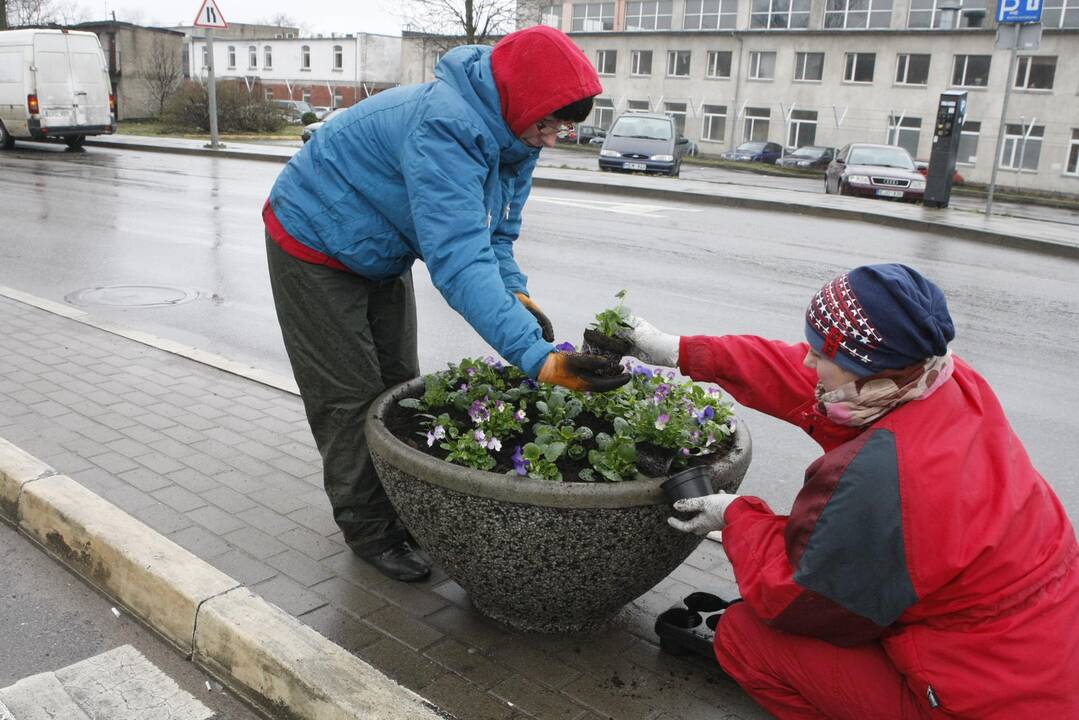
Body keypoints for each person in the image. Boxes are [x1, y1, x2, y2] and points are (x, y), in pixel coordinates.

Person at [609, 264, 1078, 719]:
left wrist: (736, 517)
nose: (808, 359)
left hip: (982, 701)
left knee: (744, 636)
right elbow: (799, 372)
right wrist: (681, 351)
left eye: (821, 354)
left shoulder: (883, 480)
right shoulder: (938, 380)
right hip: (1038, 649)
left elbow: (795, 598)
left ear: (869, 374)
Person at [263, 26, 628, 583]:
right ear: (523, 101)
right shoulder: (445, 128)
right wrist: (539, 357)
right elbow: (457, 258)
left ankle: (404, 512)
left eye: (566, 126)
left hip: (378, 248)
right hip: (313, 241)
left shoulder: (515, 135)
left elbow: (496, 237)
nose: (554, 138)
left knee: (398, 386)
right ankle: (371, 531)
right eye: (550, 122)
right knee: (349, 399)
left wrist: (515, 292)